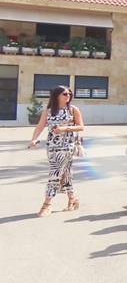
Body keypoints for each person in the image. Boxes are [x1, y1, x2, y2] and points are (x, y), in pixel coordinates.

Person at [28, 85, 83, 216]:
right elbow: (40, 126)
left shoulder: (73, 110)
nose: (68, 96)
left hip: (67, 146)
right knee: (66, 172)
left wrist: (64, 129)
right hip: (52, 146)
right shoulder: (48, 111)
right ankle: (73, 199)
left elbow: (81, 127)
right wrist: (34, 139)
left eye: (69, 94)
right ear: (56, 95)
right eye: (65, 94)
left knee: (55, 172)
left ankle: (47, 204)